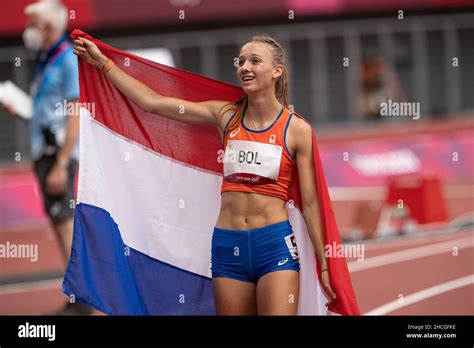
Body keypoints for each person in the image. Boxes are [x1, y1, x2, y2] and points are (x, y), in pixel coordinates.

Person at [73, 33, 337, 315]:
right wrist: (103, 64)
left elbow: (310, 204)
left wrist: (324, 262)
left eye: (255, 61)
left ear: (276, 71)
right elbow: (152, 102)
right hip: (228, 246)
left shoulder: (297, 130)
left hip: (274, 246)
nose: (244, 67)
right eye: (242, 61)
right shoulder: (225, 116)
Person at [2, 0, 91, 315]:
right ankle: (78, 296)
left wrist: (63, 163)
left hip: (58, 156)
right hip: (47, 153)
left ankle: (83, 300)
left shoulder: (66, 59)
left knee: (65, 224)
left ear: (49, 27)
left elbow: (75, 112)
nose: (27, 32)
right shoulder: (46, 59)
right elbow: (49, 112)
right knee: (59, 223)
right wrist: (24, 110)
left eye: (32, 25)